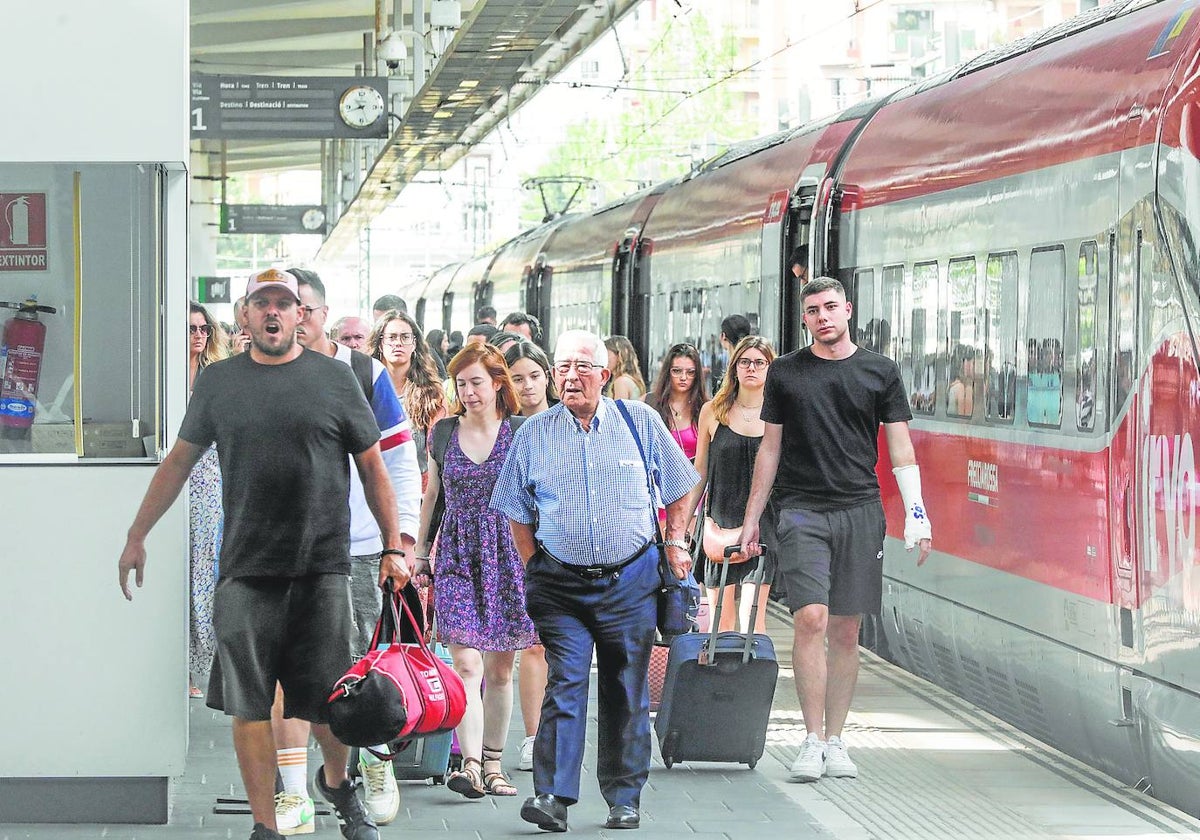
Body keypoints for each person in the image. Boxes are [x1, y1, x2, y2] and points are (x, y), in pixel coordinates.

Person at [119, 268, 410, 840]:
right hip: (247, 571)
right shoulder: (220, 383)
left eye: (285, 303)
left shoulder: (335, 379)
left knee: (330, 697)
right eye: (262, 304)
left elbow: (374, 468)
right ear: (245, 316)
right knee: (250, 704)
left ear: (301, 315)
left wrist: (395, 547)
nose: (274, 313)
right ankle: (264, 826)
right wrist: (137, 535)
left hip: (323, 567)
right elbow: (179, 461)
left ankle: (336, 783)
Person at [491, 330, 699, 833]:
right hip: (560, 586)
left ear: (605, 376)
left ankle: (624, 797)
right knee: (565, 683)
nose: (571, 377)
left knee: (626, 688)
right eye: (562, 368)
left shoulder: (639, 422)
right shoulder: (534, 433)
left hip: (630, 582)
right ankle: (553, 797)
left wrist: (674, 541)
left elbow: (682, 485)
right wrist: (533, 565)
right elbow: (516, 509)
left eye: (583, 367)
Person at [738, 277, 932, 784]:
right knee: (812, 619)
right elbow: (770, 449)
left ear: (848, 309)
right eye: (812, 310)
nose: (823, 316)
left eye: (830, 307)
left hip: (860, 510)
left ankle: (837, 739)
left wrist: (917, 513)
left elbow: (900, 447)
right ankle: (810, 739)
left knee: (847, 630)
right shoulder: (785, 374)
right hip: (802, 510)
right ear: (804, 319)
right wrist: (753, 517)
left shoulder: (880, 372)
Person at [273, 268, 421, 831]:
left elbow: (402, 463)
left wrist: (399, 540)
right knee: (290, 674)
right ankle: (294, 790)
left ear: (321, 312)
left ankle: (375, 758)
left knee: (359, 666)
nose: (295, 320)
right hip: (284, 552)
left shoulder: (365, 374)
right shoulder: (265, 375)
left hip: (359, 551)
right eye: (285, 309)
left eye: (303, 309)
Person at [416, 344, 535, 800]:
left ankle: (493, 762)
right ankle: (468, 764)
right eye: (461, 384)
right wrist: (421, 549)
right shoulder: (443, 432)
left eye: (477, 383)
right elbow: (432, 496)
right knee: (465, 661)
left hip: (509, 553)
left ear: (498, 383)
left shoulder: (522, 432)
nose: (468, 392)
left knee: (501, 670)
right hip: (457, 554)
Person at [684, 336, 777, 633]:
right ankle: (720, 679)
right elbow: (700, 472)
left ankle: (753, 678)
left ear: (770, 369)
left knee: (753, 620)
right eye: (744, 362)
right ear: (734, 367)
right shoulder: (713, 411)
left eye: (760, 363)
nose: (751, 368)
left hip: (762, 527)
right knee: (720, 623)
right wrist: (683, 525)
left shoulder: (779, 416)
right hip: (719, 526)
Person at [502, 340, 556, 771]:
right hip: (511, 543)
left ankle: (546, 733)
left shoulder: (565, 421)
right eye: (518, 378)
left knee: (548, 644)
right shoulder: (504, 427)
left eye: (534, 376)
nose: (528, 385)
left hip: (559, 543)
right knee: (520, 646)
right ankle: (530, 735)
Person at [187, 301, 229, 698]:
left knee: (204, 572)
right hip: (179, 480)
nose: (198, 336)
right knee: (176, 572)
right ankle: (180, 662)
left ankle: (202, 663)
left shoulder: (213, 377)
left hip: (211, 483)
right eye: (191, 329)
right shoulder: (163, 380)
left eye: (203, 329)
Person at [368, 310, 448, 492]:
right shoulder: (364, 389)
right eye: (391, 337)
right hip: (372, 490)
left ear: (414, 344)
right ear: (380, 343)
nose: (398, 343)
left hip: (417, 492)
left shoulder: (432, 394)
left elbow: (437, 453)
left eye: (405, 337)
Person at [644, 342, 707, 463]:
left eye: (690, 372)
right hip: (658, 477)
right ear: (668, 372)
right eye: (677, 371)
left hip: (695, 478)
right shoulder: (649, 402)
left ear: (697, 375)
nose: (683, 377)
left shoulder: (705, 408)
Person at [603, 335, 646, 401]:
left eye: (607, 354)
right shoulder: (631, 379)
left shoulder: (621, 382)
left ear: (619, 355)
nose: (604, 358)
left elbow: (618, 410)